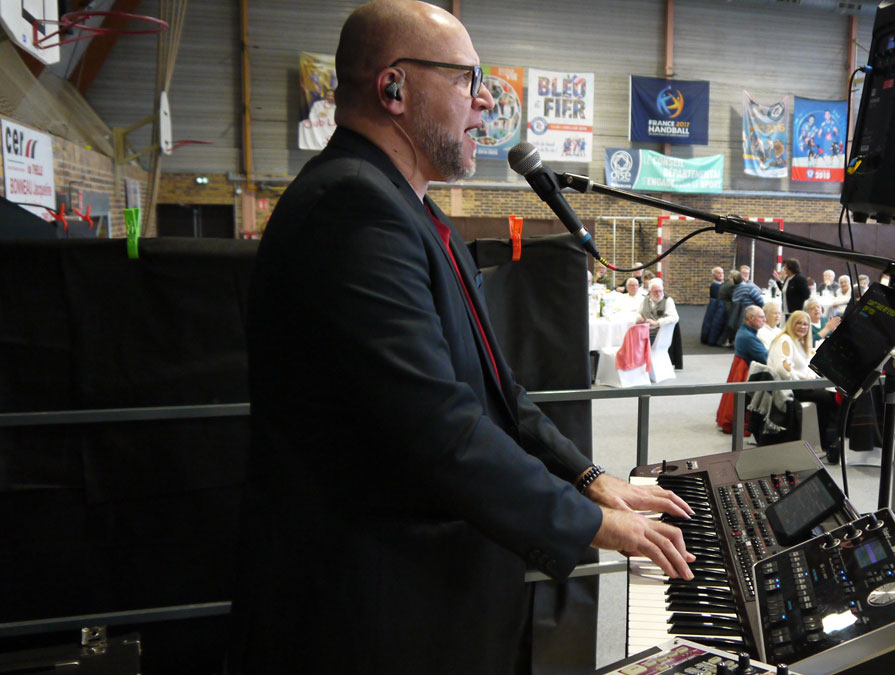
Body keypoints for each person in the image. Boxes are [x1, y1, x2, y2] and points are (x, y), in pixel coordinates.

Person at [231, 3, 693, 672]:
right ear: (394, 88)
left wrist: (588, 478)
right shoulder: (353, 211)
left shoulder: (402, 205)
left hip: (425, 601)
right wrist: (594, 524)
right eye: (466, 80)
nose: (486, 103)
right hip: (374, 616)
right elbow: (437, 428)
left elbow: (496, 391)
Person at [767, 311, 840, 452]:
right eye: (799, 323)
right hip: (790, 389)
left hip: (801, 385)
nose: (802, 327)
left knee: (831, 397)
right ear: (791, 324)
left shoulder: (799, 342)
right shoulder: (785, 340)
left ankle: (828, 440)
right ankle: (829, 442)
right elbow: (783, 370)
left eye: (805, 324)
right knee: (831, 398)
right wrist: (802, 380)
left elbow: (806, 367)